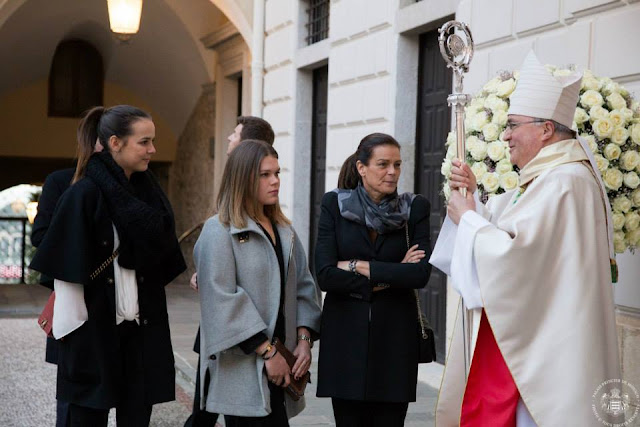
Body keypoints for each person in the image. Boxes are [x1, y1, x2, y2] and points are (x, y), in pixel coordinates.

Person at [431, 51, 621, 426]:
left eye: (513, 125)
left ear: (546, 129)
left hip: (549, 356)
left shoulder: (566, 181)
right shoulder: (548, 176)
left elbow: (518, 260)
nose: (505, 135)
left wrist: (469, 221)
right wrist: (477, 205)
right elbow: (518, 235)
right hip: (540, 337)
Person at [30, 105, 186, 426]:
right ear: (115, 143)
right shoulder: (84, 193)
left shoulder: (150, 195)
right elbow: (64, 271)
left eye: (152, 141)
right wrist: (75, 335)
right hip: (94, 336)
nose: (152, 150)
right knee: (85, 418)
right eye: (144, 142)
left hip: (141, 335)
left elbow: (162, 259)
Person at [194, 140, 322, 425]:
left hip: (284, 365)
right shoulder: (219, 230)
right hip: (244, 366)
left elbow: (304, 287)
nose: (275, 181)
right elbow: (222, 299)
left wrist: (304, 341)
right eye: (265, 175)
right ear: (243, 177)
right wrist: (267, 352)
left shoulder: (284, 231)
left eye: (277, 173)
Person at [314, 133, 432, 426]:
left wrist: (357, 266)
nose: (392, 172)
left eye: (397, 164)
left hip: (395, 341)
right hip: (345, 338)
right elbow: (326, 275)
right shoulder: (334, 205)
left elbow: (419, 274)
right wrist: (392, 273)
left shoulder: (415, 208)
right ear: (361, 167)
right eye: (383, 164)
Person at [185, 115, 276, 427]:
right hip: (225, 330)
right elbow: (220, 249)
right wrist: (209, 272)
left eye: (234, 134)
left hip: (248, 332)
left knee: (207, 412)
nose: (228, 139)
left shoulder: (268, 209)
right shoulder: (224, 211)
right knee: (205, 411)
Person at [30, 138, 103, 427]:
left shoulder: (137, 186)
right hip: (75, 297)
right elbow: (41, 236)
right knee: (73, 394)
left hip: (122, 307)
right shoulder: (61, 181)